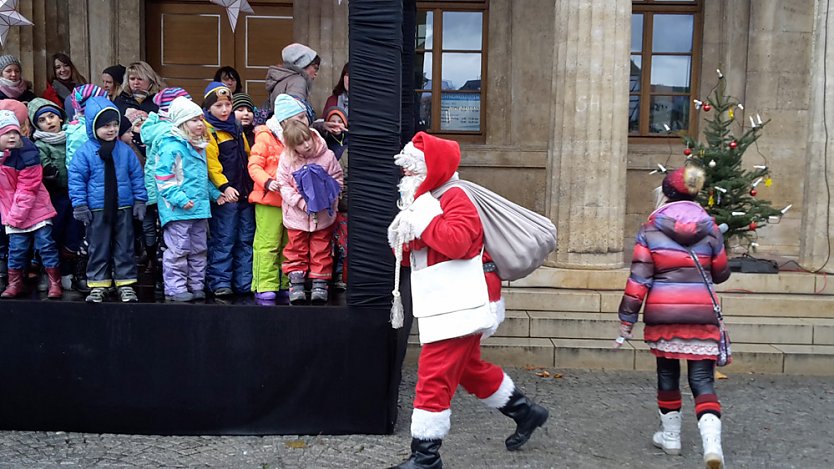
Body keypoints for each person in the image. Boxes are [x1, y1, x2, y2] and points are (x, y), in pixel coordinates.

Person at [386, 132, 548, 469]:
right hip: (444, 296)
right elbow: (420, 251)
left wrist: (422, 221)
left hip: (460, 297)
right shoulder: (424, 200)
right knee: (469, 369)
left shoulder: (453, 196)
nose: (404, 175)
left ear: (429, 169)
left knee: (434, 372)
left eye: (411, 169)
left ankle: (425, 456)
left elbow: (459, 242)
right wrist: (405, 238)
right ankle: (526, 412)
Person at [616, 163, 730, 469]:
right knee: (703, 380)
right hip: (701, 314)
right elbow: (721, 274)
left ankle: (671, 439)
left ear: (666, 195)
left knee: (667, 374)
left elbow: (639, 280)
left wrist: (626, 320)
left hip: (663, 314)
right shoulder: (711, 228)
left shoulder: (650, 230)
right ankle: (712, 446)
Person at [68, 97, 147, 303]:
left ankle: (125, 283)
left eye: (114, 125)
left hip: (123, 206)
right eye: (105, 126)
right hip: (98, 208)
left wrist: (140, 200)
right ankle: (98, 283)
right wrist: (80, 205)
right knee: (98, 246)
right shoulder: (85, 152)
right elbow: (77, 179)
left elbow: (136, 176)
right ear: (93, 126)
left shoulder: (124, 151)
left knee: (125, 246)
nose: (111, 130)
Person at [155, 96, 225, 302]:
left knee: (199, 249)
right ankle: (175, 288)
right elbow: (164, 179)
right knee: (178, 250)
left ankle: (195, 286)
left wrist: (215, 193)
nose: (200, 124)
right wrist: (179, 199)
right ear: (182, 123)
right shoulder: (172, 147)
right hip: (179, 211)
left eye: (201, 120)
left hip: (199, 208)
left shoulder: (199, 147)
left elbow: (201, 178)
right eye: (194, 120)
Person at [247, 94, 306, 302]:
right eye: (299, 118)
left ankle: (282, 281)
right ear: (286, 119)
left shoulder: (297, 138)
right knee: (267, 243)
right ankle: (264, 283)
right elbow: (254, 165)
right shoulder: (265, 136)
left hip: (290, 201)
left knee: (287, 244)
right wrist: (267, 182)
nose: (304, 122)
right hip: (268, 199)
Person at [276, 118, 342, 305]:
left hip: (322, 217)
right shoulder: (287, 159)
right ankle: (296, 284)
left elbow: (337, 178)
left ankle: (319, 282)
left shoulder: (327, 156)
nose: (306, 145)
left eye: (307, 140)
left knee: (321, 248)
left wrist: (328, 196)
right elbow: (283, 185)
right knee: (296, 248)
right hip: (297, 216)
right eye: (299, 144)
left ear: (313, 136)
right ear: (291, 146)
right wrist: (300, 202)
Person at [0, 110, 61, 299]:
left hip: (35, 209)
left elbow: (28, 189)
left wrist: (15, 218)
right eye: (6, 132)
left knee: (46, 245)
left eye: (15, 132)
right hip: (12, 209)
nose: (12, 136)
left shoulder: (28, 153)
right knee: (16, 249)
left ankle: (54, 283)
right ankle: (14, 283)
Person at [203, 82, 254, 297]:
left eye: (227, 105)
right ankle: (220, 281)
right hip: (226, 196)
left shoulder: (236, 128)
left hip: (244, 193)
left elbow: (247, 155)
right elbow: (211, 165)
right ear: (209, 108)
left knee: (245, 239)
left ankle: (243, 281)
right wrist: (224, 186)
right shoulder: (208, 129)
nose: (224, 110)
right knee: (224, 239)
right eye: (218, 106)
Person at [28, 98, 84, 290]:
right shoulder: (41, 144)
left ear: (61, 118)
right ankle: (49, 270)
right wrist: (48, 170)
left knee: (74, 231)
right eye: (42, 120)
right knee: (54, 231)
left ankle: (69, 269)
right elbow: (41, 160)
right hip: (54, 194)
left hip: (75, 191)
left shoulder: (73, 135)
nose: (49, 122)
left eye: (52, 116)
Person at [139, 87, 193, 282]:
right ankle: (165, 278)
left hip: (154, 190)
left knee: (156, 231)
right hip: (167, 191)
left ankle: (156, 268)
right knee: (169, 235)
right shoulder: (169, 132)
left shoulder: (155, 127)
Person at [265, 43, 320, 123]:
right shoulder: (298, 82)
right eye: (315, 68)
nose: (316, 73)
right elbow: (296, 120)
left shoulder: (282, 79)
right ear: (304, 64)